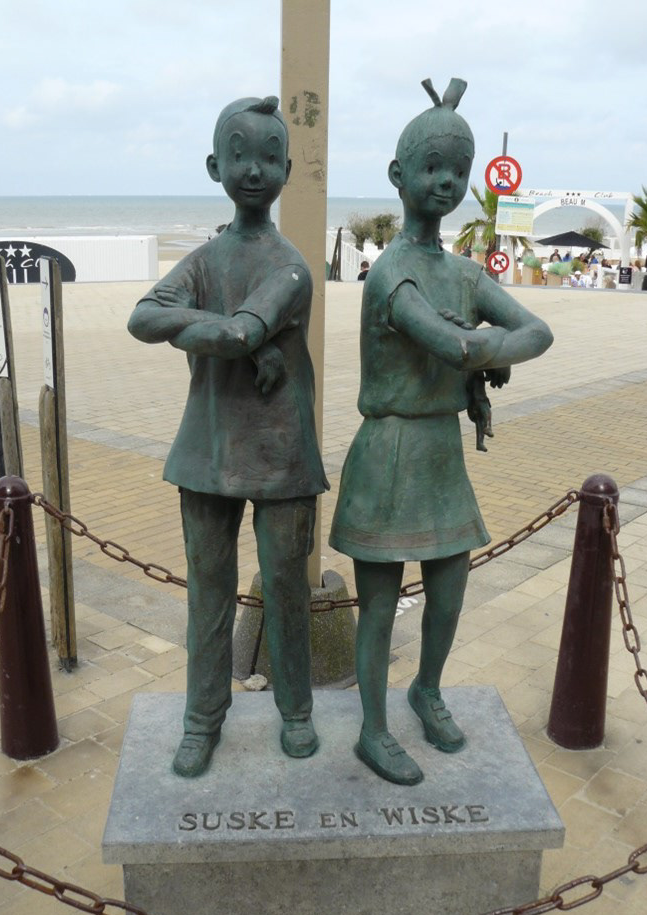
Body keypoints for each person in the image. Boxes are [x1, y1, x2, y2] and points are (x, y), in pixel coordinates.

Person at [329, 77, 553, 786]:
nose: (447, 182)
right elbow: (450, 342)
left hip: (439, 454)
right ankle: (372, 728)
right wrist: (484, 350)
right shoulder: (391, 273)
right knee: (380, 603)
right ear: (398, 175)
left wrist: (482, 350)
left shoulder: (462, 273)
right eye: (432, 167)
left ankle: (426, 689)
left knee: (450, 587)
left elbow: (537, 331)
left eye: (459, 169)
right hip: (390, 451)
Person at [128, 96, 329, 777]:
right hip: (208, 450)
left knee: (287, 589)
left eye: (269, 157)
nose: (254, 170)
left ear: (287, 171)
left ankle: (296, 711)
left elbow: (240, 329)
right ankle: (201, 719)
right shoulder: (205, 259)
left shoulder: (291, 267)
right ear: (215, 165)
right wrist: (235, 339)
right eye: (239, 155)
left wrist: (218, 332)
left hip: (281, 453)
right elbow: (141, 317)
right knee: (207, 595)